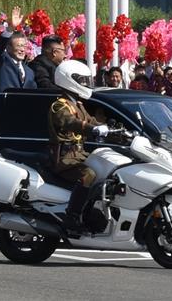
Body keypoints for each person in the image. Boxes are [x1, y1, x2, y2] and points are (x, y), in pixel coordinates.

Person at [48, 59, 106, 230]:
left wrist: (114, 129)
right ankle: (71, 216)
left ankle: (91, 214)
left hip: (78, 155)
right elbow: (69, 122)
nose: (86, 84)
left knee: (105, 171)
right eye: (82, 80)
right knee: (87, 174)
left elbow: (92, 121)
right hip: (64, 158)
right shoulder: (59, 105)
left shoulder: (78, 104)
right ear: (68, 79)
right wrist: (92, 130)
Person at [0, 7, 37, 92]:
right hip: (2, 104)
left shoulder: (29, 72)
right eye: (19, 46)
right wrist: (10, 28)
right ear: (8, 48)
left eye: (24, 46)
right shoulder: (2, 62)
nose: (22, 49)